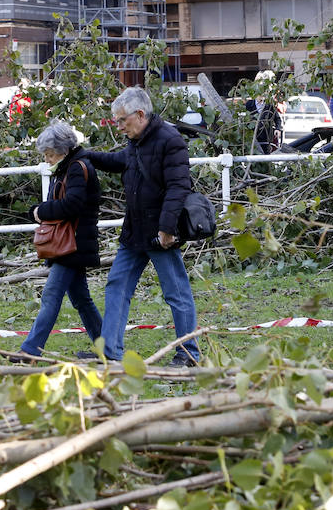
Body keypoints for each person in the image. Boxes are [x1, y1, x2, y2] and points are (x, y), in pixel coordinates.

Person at [86, 86, 202, 367]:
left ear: (140, 115)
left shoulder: (170, 140)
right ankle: (111, 351)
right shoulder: (135, 141)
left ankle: (189, 354)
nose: (119, 127)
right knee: (116, 286)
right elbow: (119, 162)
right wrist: (85, 154)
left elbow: (179, 187)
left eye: (121, 121)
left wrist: (167, 229)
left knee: (176, 292)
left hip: (159, 234)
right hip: (134, 231)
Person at [12, 122, 103, 361]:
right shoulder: (71, 166)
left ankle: (30, 350)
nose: (47, 159)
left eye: (50, 154)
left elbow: (72, 205)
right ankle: (107, 348)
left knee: (51, 295)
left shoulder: (75, 168)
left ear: (63, 150)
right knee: (82, 299)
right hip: (75, 243)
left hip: (72, 245)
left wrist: (40, 211)